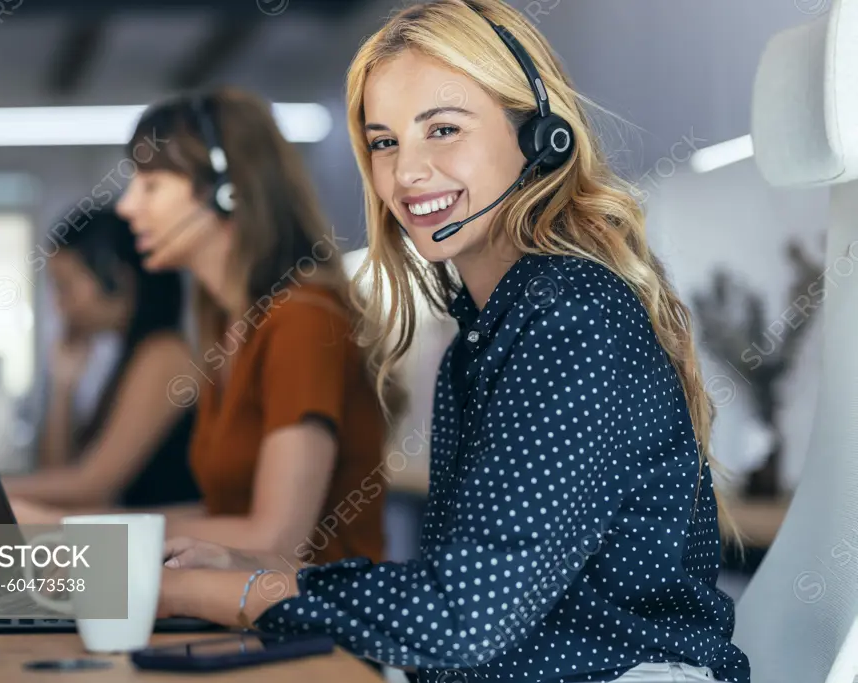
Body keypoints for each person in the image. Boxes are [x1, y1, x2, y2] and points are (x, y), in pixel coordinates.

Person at [152, 2, 752, 683]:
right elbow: (463, 596)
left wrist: (237, 594)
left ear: (537, 134)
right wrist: (269, 576)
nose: (406, 172)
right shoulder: (488, 330)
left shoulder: (569, 316)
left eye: (442, 129)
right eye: (384, 142)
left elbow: (463, 616)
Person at [94, 86, 397, 567]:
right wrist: (74, 528)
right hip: (245, 614)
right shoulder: (229, 326)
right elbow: (224, 518)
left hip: (320, 631)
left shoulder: (303, 320)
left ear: (226, 191)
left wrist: (74, 532)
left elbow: (274, 537)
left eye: (150, 185)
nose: (127, 206)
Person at [4, 205, 200, 511]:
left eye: (65, 287)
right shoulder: (126, 355)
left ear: (116, 279)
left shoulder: (164, 354)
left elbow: (91, 485)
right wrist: (62, 388)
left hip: (170, 547)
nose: (59, 305)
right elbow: (58, 475)